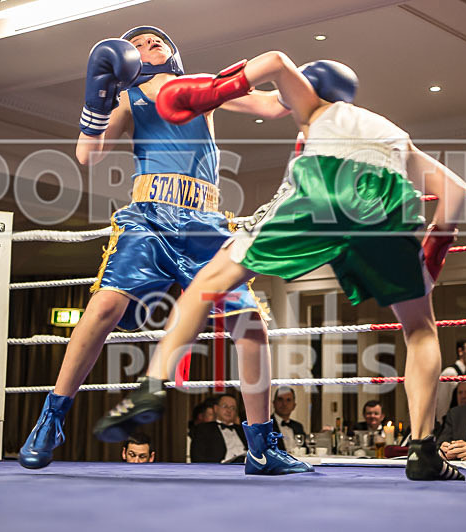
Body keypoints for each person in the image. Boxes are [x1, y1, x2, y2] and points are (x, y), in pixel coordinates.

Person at [105, 51, 466, 480]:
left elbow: (277, 61)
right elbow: (457, 190)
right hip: (386, 198)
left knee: (209, 281)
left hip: (322, 181)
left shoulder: (314, 107)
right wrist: (432, 253)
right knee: (421, 330)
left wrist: (212, 91)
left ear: (308, 90)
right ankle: (424, 450)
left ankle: (153, 383)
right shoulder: (393, 132)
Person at [18, 26, 291, 470]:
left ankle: (262, 447)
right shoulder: (127, 99)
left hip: (204, 223)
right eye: (139, 43)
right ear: (129, 60)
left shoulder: (199, 86)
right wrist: (96, 99)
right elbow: (89, 155)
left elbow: (274, 105)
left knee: (251, 327)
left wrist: (304, 84)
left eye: (157, 39)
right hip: (148, 217)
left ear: (173, 51)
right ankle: (51, 419)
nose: (149, 44)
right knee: (104, 306)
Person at [190, 394, 248, 463]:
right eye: (225, 406)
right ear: (216, 408)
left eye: (233, 408)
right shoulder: (204, 429)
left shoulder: (244, 430)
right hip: (221, 469)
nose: (229, 410)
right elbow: (197, 458)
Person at [435, 339, 466, 424]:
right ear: (460, 351)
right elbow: (442, 404)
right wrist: (442, 424)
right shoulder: (450, 373)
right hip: (450, 422)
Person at [271, 387, 307, 451]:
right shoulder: (267, 425)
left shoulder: (298, 427)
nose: (284, 404)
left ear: (294, 405)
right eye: (280, 399)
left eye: (288, 400)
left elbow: (305, 450)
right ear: (274, 403)